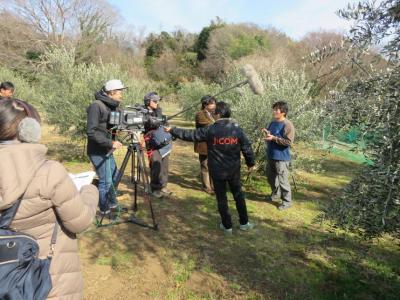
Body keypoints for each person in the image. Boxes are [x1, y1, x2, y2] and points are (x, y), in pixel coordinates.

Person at [0, 99, 99, 299]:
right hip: (47, 280)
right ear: (29, 131)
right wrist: (90, 190)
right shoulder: (49, 173)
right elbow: (80, 221)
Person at [166, 101, 256, 234]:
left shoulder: (211, 130)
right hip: (233, 170)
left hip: (217, 171)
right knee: (238, 196)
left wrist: (173, 130)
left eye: (214, 113)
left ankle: (227, 226)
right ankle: (244, 223)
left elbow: (191, 135)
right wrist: (251, 163)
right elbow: (247, 148)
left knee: (222, 198)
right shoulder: (237, 130)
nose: (213, 115)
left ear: (218, 114)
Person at [87, 79, 125, 216]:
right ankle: (104, 209)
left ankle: (113, 203)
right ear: (111, 92)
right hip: (97, 150)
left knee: (115, 175)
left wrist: (118, 132)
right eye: (120, 91)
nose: (121, 94)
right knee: (105, 181)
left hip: (107, 149)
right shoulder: (96, 106)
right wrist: (110, 143)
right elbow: (91, 132)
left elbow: (109, 128)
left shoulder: (112, 106)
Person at [262, 101, 295, 210]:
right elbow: (271, 136)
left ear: (283, 112)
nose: (274, 111)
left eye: (277, 109)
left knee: (283, 181)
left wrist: (274, 138)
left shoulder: (288, 125)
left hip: (281, 158)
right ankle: (275, 195)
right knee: (271, 178)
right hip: (271, 155)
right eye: (274, 109)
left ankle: (287, 202)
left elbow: (288, 142)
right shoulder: (272, 123)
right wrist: (267, 134)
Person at [142, 91, 172, 198]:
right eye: (154, 101)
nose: (156, 103)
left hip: (163, 141)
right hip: (152, 142)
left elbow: (165, 123)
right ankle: (155, 188)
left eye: (157, 101)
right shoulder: (143, 112)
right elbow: (147, 124)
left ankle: (163, 185)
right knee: (155, 164)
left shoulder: (159, 111)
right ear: (148, 101)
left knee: (165, 164)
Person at [194, 95, 216, 194]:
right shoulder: (200, 114)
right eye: (212, 103)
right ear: (205, 105)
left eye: (214, 103)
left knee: (213, 166)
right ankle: (206, 187)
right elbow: (207, 124)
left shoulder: (214, 114)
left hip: (214, 145)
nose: (214, 105)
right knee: (205, 166)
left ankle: (213, 186)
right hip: (203, 145)